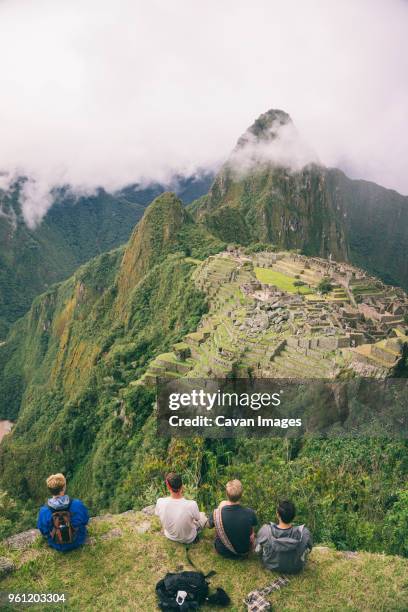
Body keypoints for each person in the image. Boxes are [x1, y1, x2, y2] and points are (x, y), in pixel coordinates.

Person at [255, 499, 313, 574]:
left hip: (270, 565)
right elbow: (309, 549)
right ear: (294, 516)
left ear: (277, 514)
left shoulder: (265, 531)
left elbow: (257, 550)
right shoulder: (304, 533)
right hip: (296, 567)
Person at [37, 473, 89, 552]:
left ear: (50, 490)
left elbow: (43, 530)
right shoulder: (77, 504)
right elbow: (85, 520)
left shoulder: (44, 511)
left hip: (57, 544)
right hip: (77, 540)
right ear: (64, 488)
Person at [208, 479, 257, 559]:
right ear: (241, 494)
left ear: (227, 495)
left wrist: (220, 507)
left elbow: (209, 525)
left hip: (222, 550)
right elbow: (252, 531)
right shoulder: (250, 512)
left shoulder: (217, 513)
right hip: (243, 551)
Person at [155, 472, 208, 544]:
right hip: (188, 539)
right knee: (202, 515)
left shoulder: (160, 501)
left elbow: (158, 514)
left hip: (169, 535)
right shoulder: (192, 504)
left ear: (168, 486)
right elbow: (197, 518)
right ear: (182, 486)